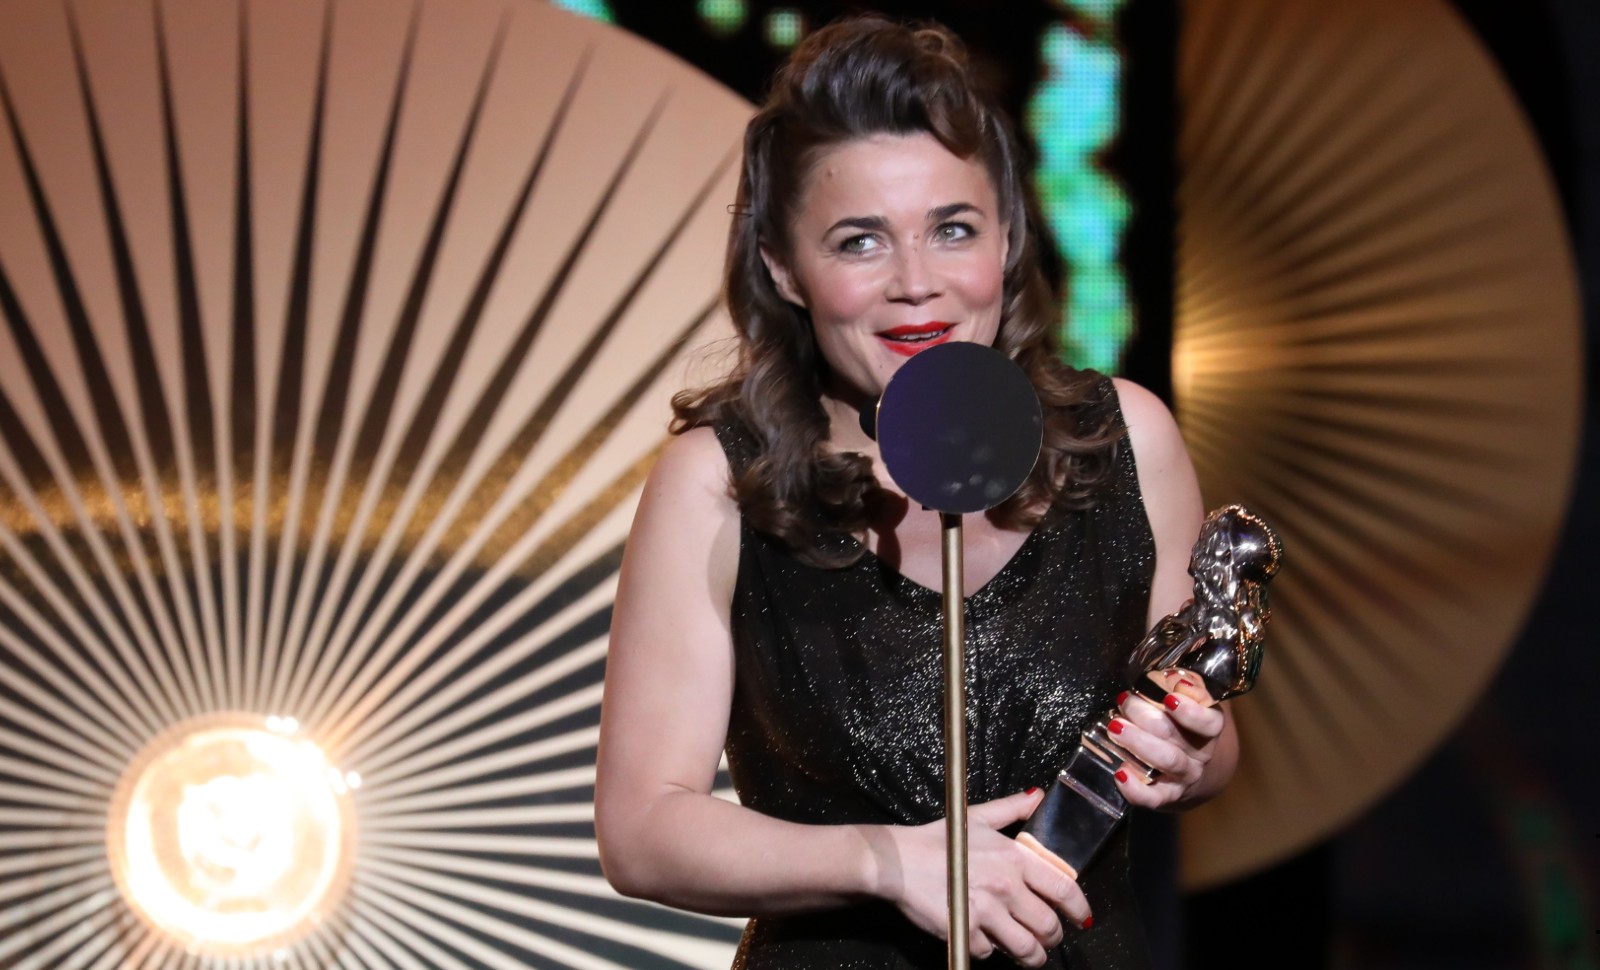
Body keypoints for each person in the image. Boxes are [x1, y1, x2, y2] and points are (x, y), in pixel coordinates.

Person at [595, 16, 1235, 969]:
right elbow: (642, 830)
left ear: (1007, 237)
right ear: (783, 266)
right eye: (860, 242)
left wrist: (1189, 756)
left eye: (952, 229)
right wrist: (886, 863)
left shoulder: (1121, 441)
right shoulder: (720, 483)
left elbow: (1209, 750)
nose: (916, 284)